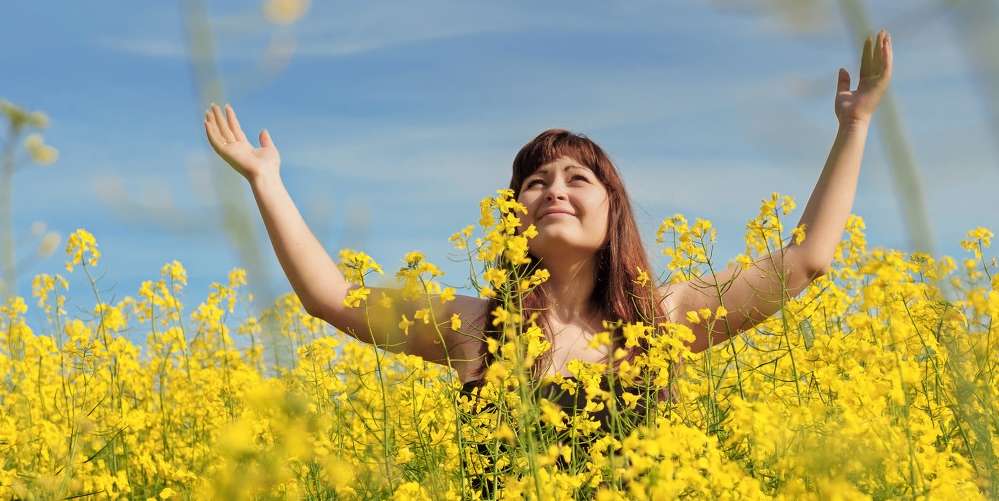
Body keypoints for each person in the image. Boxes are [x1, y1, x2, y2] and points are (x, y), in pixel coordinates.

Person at [204, 30, 894, 389]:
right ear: (514, 219)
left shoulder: (665, 321)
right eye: (533, 183)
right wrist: (266, 180)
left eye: (576, 179)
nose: (553, 191)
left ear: (611, 210)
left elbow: (807, 260)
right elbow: (330, 297)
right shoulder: (475, 331)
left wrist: (854, 126)